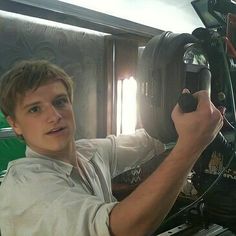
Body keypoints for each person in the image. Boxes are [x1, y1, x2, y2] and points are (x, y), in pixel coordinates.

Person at [0, 59, 223, 236]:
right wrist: (191, 145)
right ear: (15, 124)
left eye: (60, 102)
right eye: (34, 110)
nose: (54, 116)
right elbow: (121, 230)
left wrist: (190, 122)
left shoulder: (88, 152)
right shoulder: (25, 186)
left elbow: (146, 141)